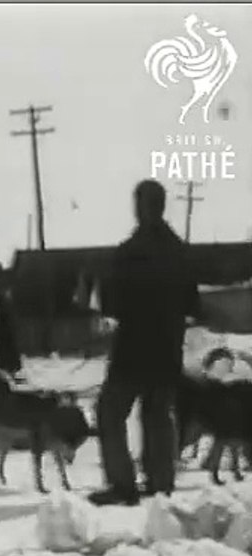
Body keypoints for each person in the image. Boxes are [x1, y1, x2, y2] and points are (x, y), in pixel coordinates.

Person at [89, 180, 200, 506]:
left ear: (141, 206)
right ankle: (161, 483)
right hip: (167, 350)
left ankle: (123, 484)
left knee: (109, 412)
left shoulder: (129, 252)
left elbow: (111, 303)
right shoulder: (180, 252)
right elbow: (193, 304)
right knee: (158, 415)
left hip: (133, 350)